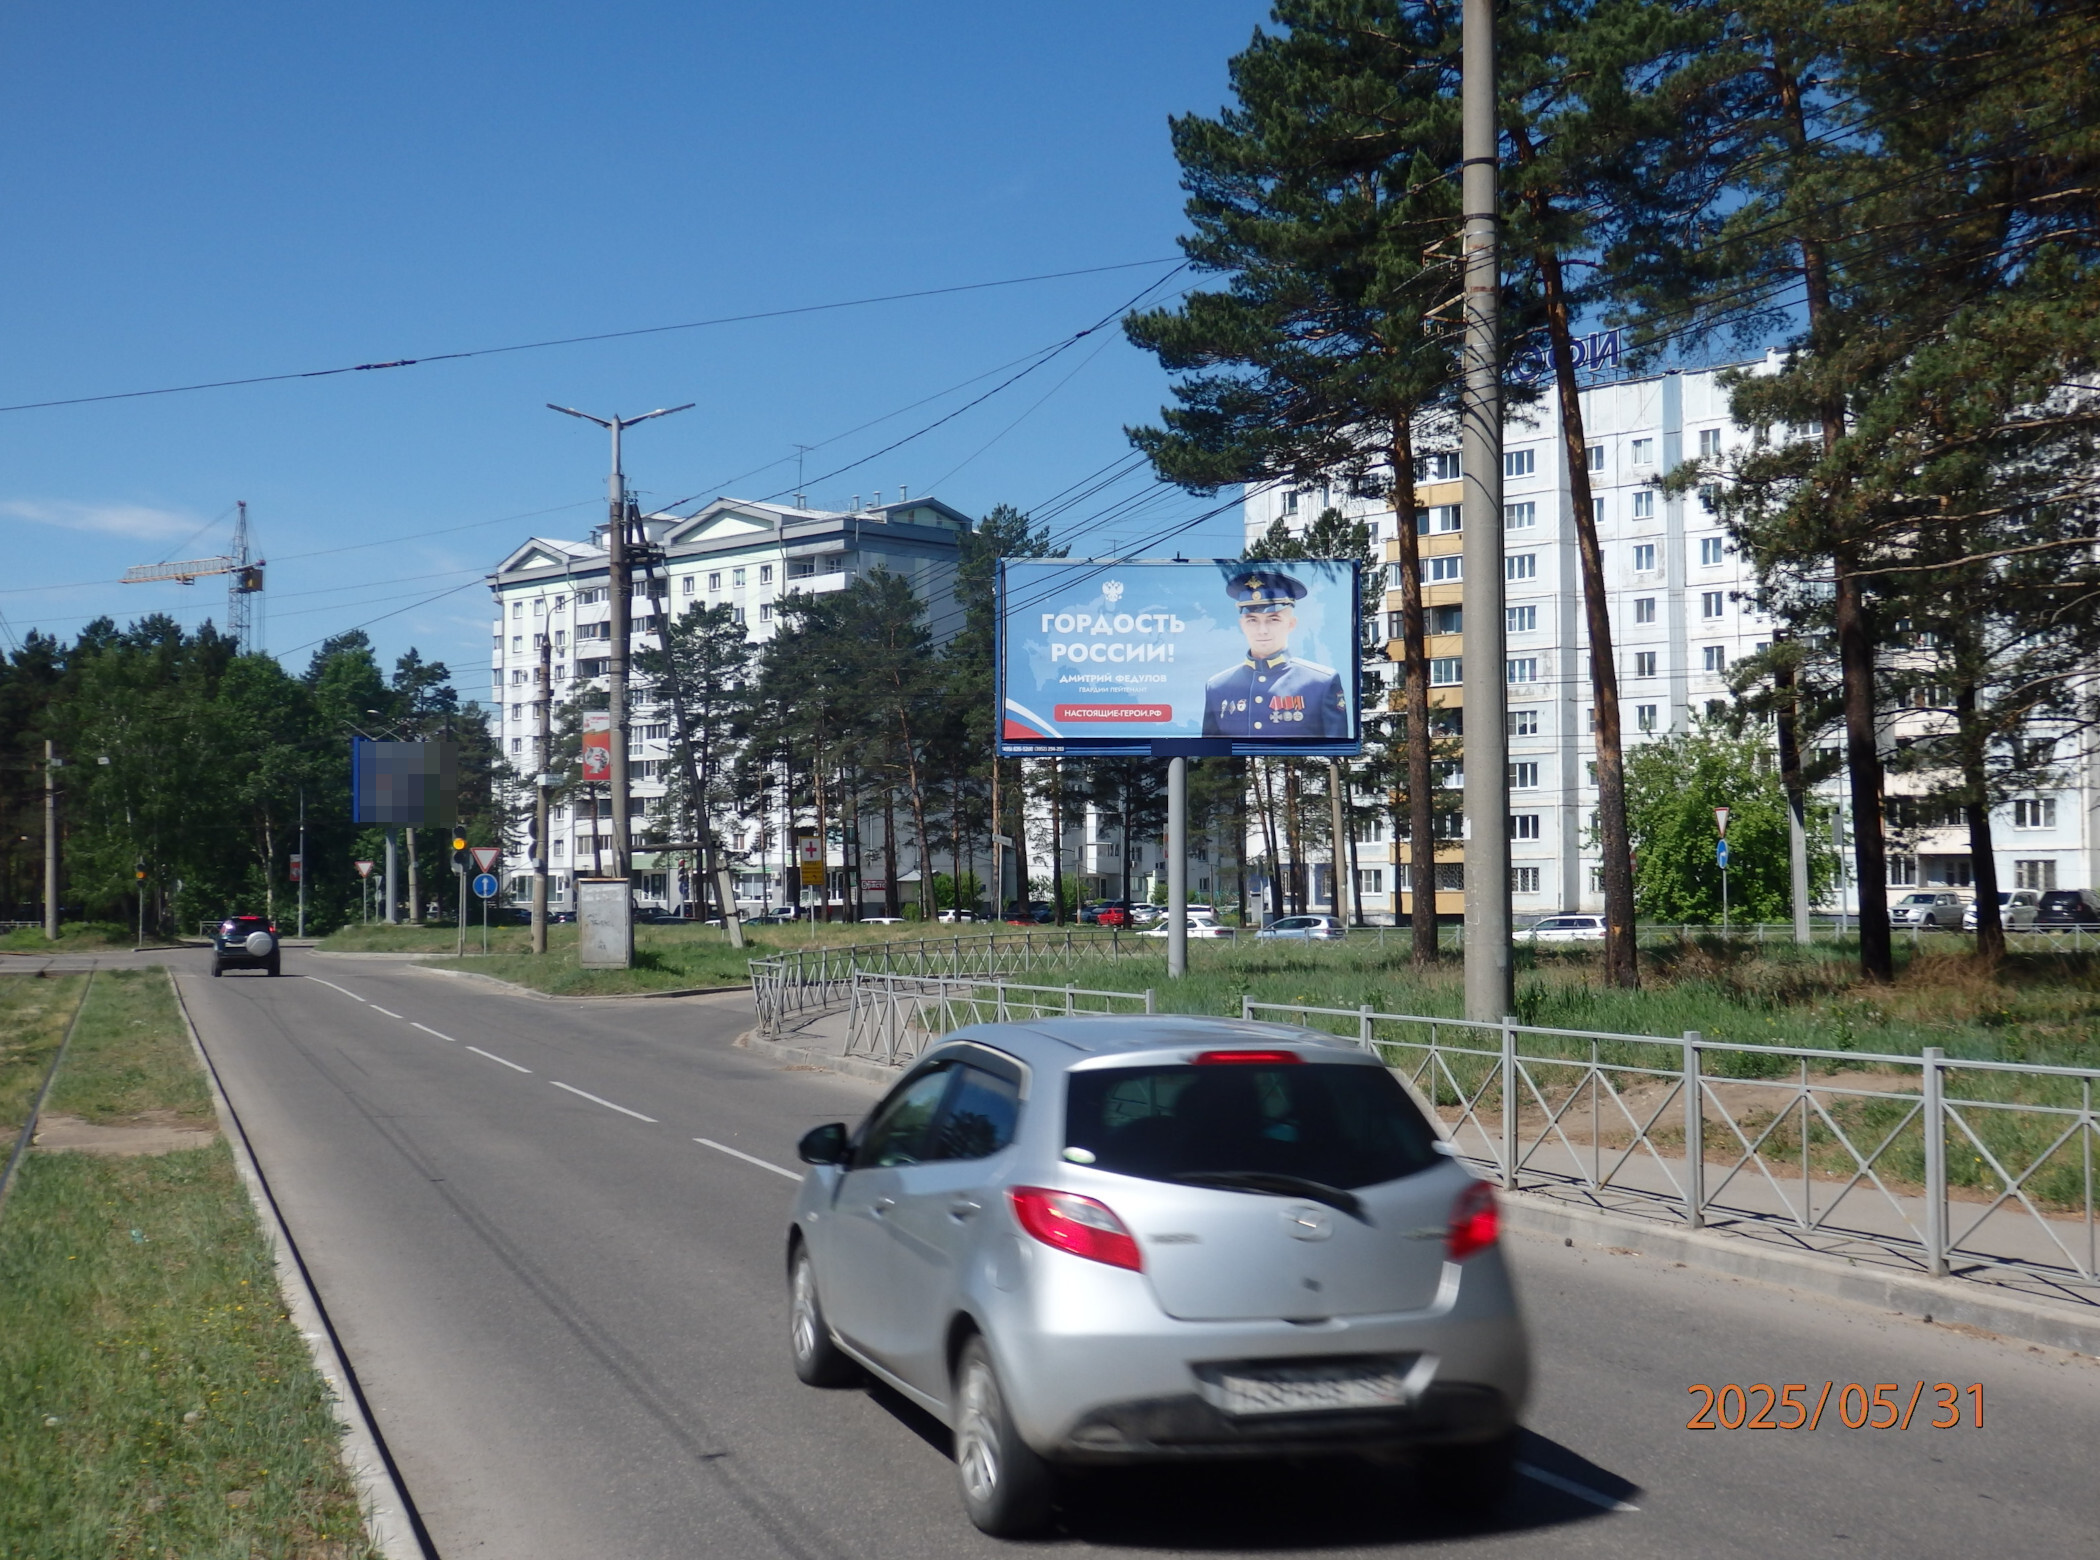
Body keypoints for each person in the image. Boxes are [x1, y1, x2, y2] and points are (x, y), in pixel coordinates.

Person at [1201, 569, 1349, 737]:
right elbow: (1210, 755)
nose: (1262, 630)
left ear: (1291, 624)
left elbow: (1336, 750)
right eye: (1252, 620)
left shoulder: (1322, 682)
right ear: (1242, 625)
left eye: (1273, 619)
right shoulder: (1218, 687)